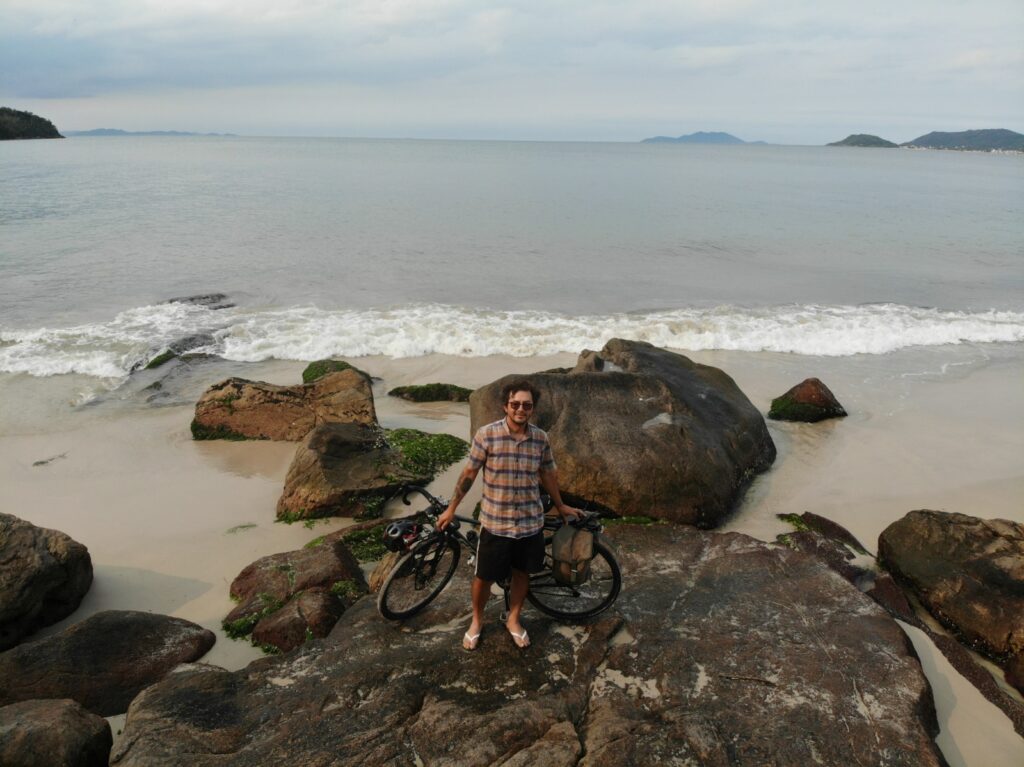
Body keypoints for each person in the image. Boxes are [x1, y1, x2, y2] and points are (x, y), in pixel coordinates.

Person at [437, 379, 581, 651]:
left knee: (522, 573)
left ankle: (513, 618)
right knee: (484, 576)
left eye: (526, 405)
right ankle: (477, 621)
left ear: (532, 408)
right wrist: (451, 508)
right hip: (495, 522)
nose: (520, 409)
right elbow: (469, 473)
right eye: (515, 404)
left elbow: (548, 473)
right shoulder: (487, 435)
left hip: (530, 522)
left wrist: (560, 505)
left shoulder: (540, 438)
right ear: (505, 406)